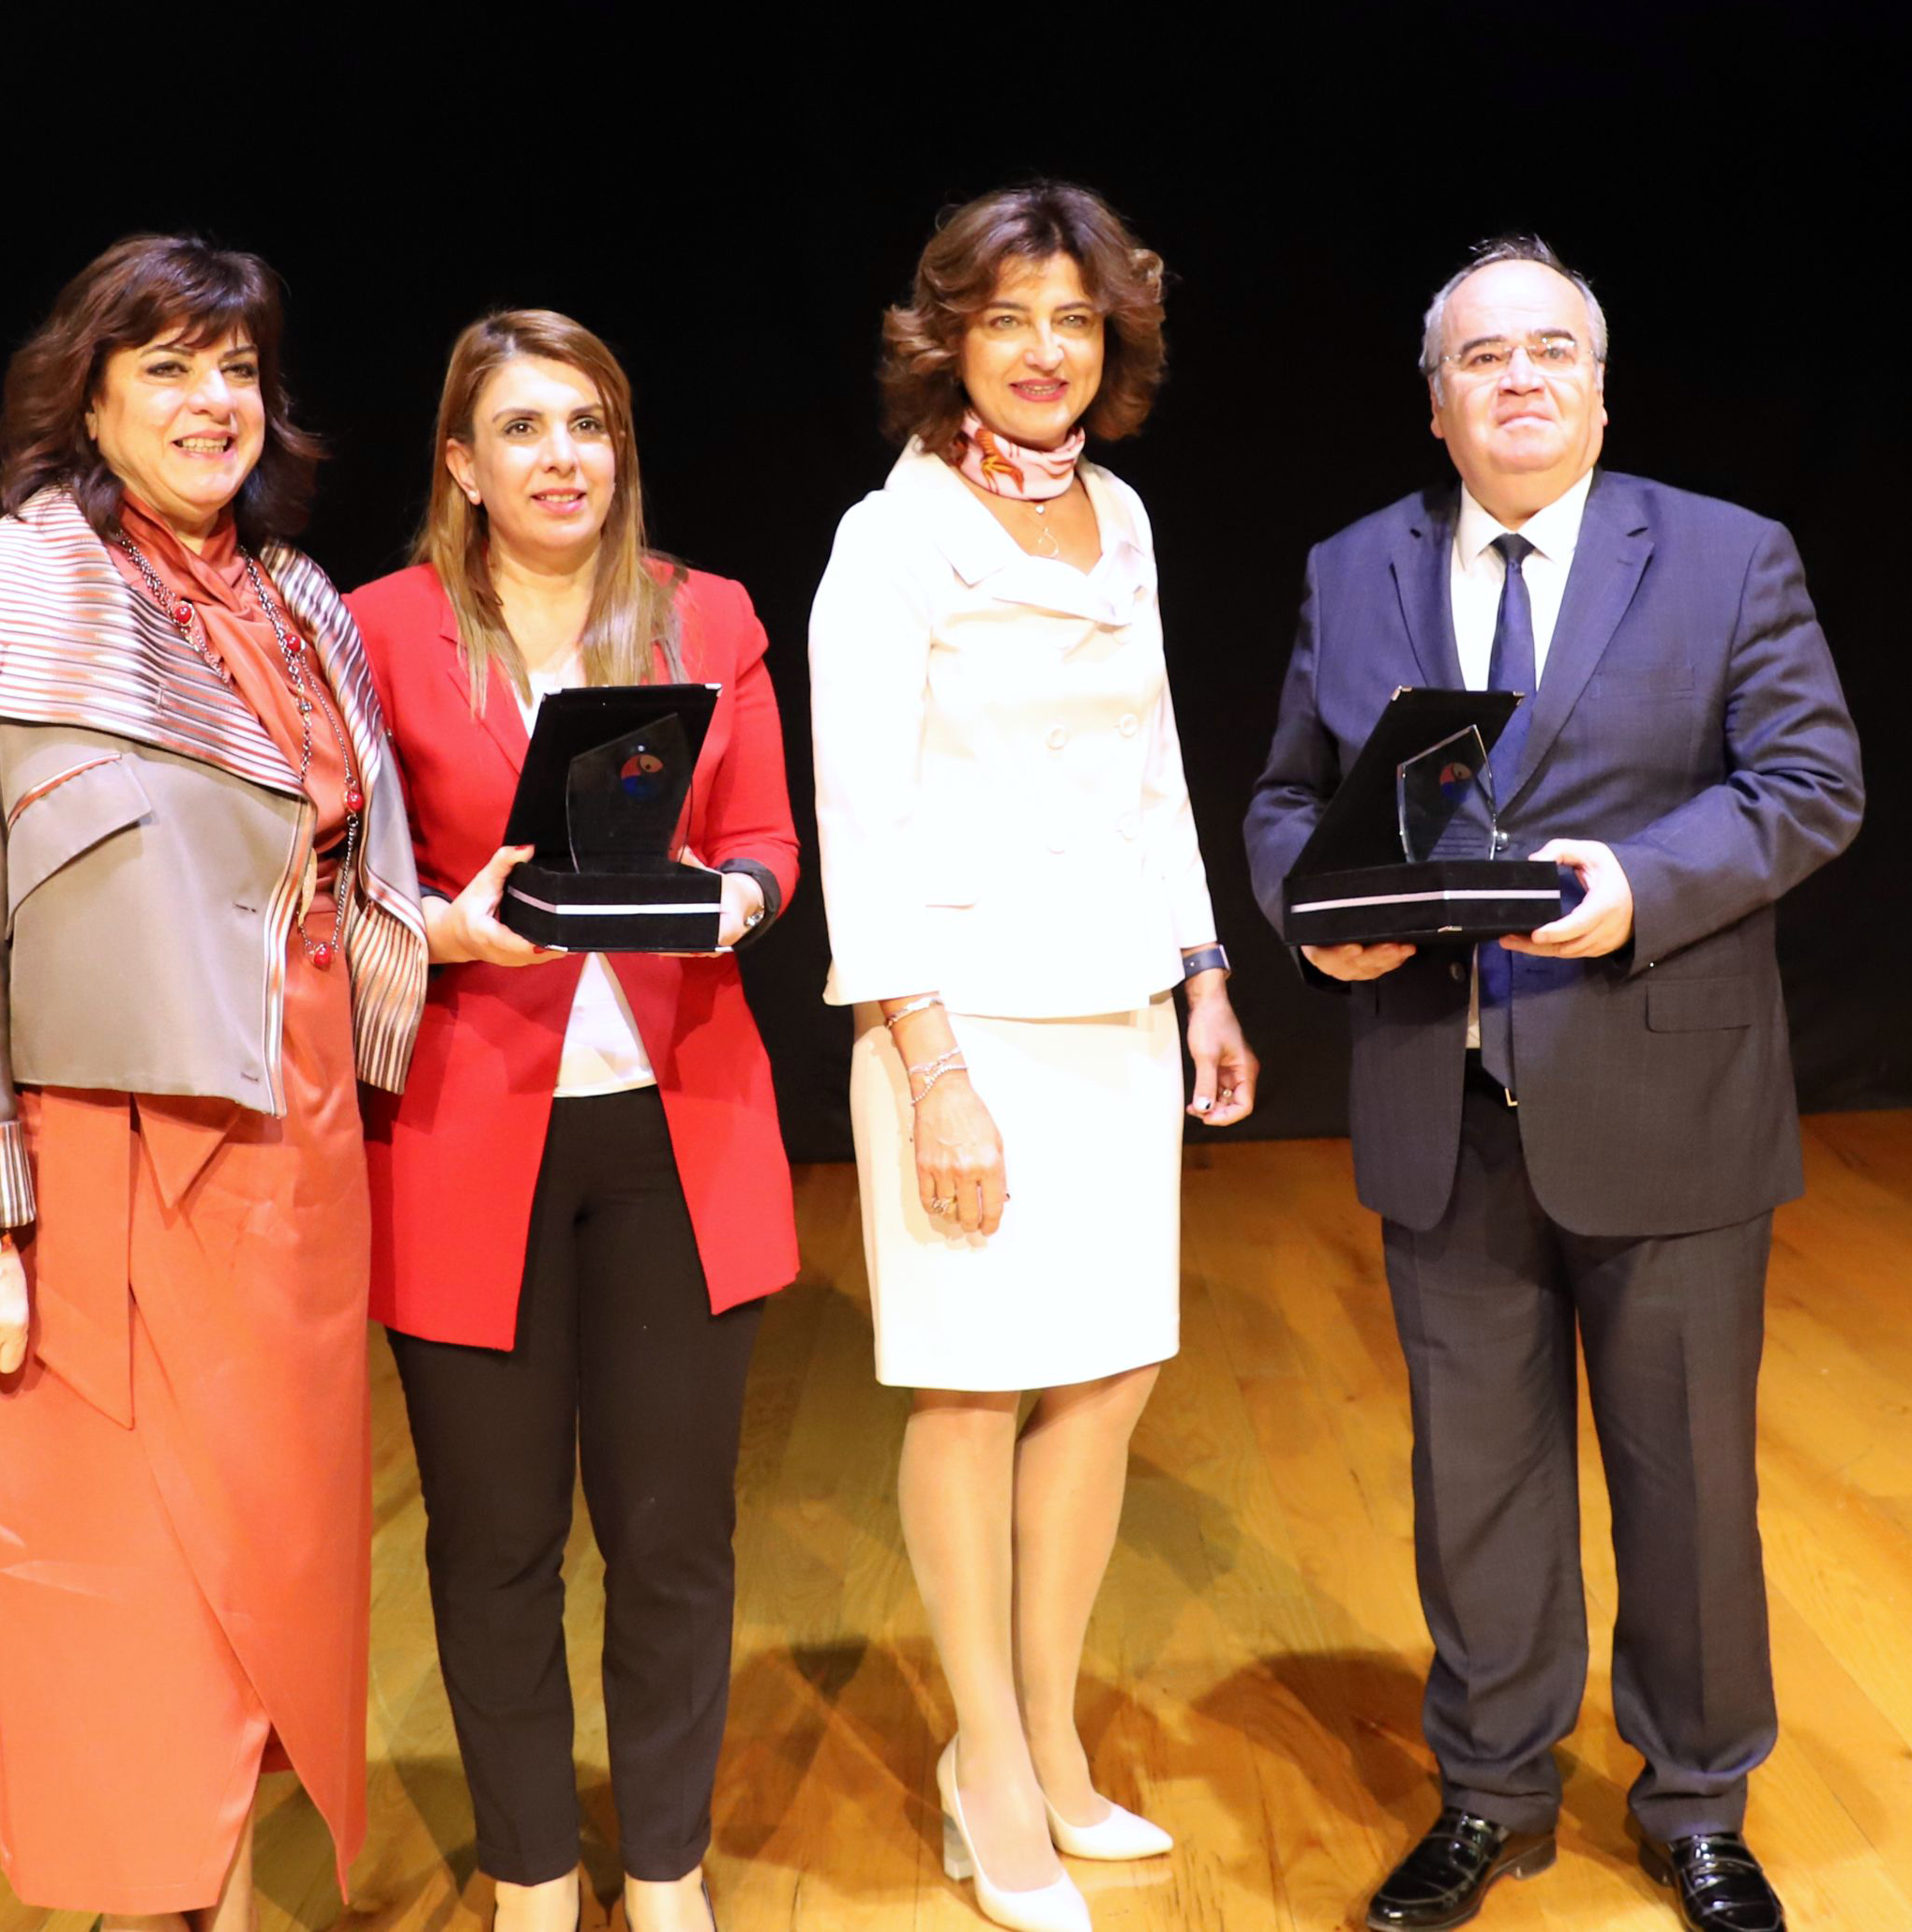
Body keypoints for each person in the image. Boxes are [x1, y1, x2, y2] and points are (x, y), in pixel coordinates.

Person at [1244, 235, 1863, 1932]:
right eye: (1482, 357)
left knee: (1689, 1483)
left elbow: (1813, 779)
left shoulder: (1729, 554)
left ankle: (1699, 1801)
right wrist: (1323, 921)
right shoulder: (1352, 568)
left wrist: (1644, 884)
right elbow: (1290, 800)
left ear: (1600, 388)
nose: (1519, 377)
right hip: (1439, 1103)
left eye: (1551, 352)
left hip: (1665, 1095)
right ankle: (1494, 1794)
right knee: (1476, 1487)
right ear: (1436, 403)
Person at [0, 235, 428, 1932]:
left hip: (298, 1164)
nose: (212, 402)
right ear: (90, 398)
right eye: (168, 366)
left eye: (237, 369)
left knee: (269, 1570)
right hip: (108, 1173)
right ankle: (163, 1905)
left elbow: (341, 880)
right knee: (123, 1593)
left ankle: (217, 1897)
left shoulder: (301, 602)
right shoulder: (4, 596)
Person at [808, 182, 1257, 1932]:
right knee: (974, 1387)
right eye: (1009, 320)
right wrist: (931, 1070)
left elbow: (1155, 766)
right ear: (951, 341)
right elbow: (863, 817)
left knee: (1110, 1377)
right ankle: (985, 1768)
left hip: (1115, 1009)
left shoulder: (1119, 515)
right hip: (964, 1021)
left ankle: (1052, 1739)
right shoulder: (891, 538)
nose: (1046, 351)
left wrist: (1203, 974)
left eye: (1075, 319)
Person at [346, 309, 798, 1932]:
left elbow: (765, 839)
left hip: (679, 1130)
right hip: (465, 1134)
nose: (564, 459)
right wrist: (449, 931)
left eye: (589, 424)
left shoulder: (706, 613)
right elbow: (328, 886)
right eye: (524, 429)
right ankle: (532, 1873)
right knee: (494, 1538)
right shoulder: (377, 630)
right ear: (461, 465)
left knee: (672, 1536)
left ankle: (665, 1868)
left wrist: (735, 898)